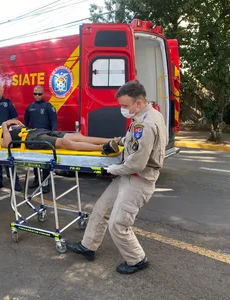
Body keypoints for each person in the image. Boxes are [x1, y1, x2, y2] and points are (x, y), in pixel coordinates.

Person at [66, 80, 168, 275]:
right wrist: (116, 142)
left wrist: (112, 169)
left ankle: (137, 259)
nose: (122, 109)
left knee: (118, 224)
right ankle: (88, 246)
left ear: (138, 103)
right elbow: (133, 140)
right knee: (101, 208)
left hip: (138, 178)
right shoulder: (147, 114)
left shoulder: (146, 124)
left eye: (124, 105)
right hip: (129, 175)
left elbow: (137, 164)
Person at [0, 120, 119, 154]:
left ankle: (112, 140)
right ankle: (104, 147)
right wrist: (5, 125)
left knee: (76, 135)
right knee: (65, 142)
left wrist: (13, 122)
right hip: (30, 139)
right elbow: (8, 144)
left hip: (35, 131)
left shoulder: (1, 127)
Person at [24, 85, 57, 193]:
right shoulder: (30, 107)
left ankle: (46, 183)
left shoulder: (48, 106)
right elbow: (25, 124)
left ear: (43, 94)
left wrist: (53, 134)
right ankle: (37, 180)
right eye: (35, 93)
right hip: (33, 138)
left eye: (39, 94)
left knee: (45, 162)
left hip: (46, 137)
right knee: (35, 160)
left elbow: (54, 121)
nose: (37, 96)